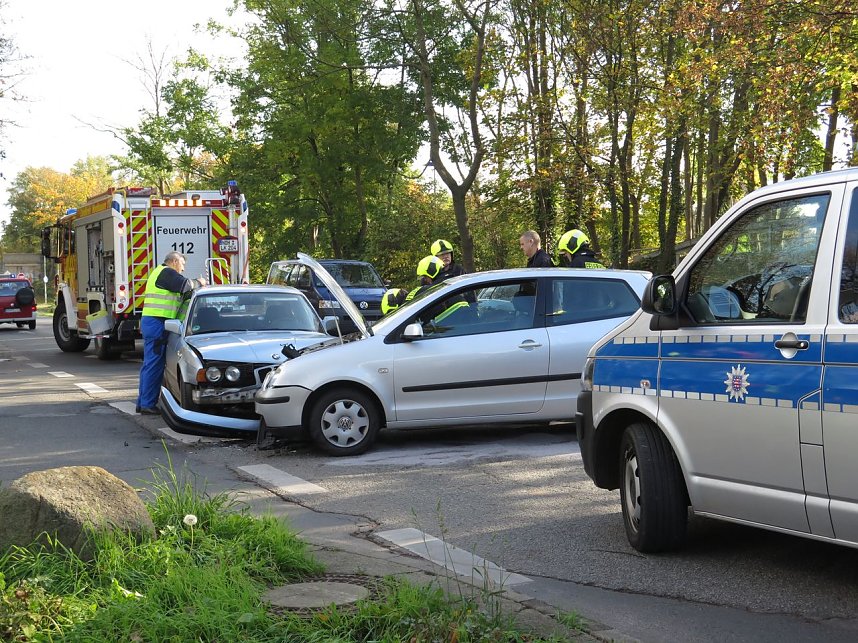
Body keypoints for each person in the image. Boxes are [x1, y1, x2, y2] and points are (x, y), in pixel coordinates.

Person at [136, 251, 206, 414]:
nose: (183, 269)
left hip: (155, 322)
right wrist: (199, 282)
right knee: (154, 364)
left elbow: (183, 293)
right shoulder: (166, 272)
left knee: (150, 364)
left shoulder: (162, 274)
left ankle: (143, 402)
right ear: (174, 261)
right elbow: (185, 285)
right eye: (182, 264)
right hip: (156, 323)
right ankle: (147, 404)